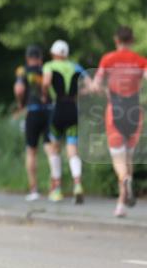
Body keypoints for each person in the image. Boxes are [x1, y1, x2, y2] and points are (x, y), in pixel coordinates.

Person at [92, 25, 147, 217]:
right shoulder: (141, 61)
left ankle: (124, 182)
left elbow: (97, 85)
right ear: (131, 41)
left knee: (118, 159)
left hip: (114, 111)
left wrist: (97, 88)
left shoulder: (108, 59)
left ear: (116, 40)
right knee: (128, 157)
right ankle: (121, 205)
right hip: (134, 111)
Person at [42, 40, 87, 204]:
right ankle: (77, 184)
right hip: (73, 109)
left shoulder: (49, 66)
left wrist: (44, 93)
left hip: (58, 108)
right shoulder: (76, 67)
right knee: (72, 149)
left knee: (54, 149)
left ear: (54, 53)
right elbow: (89, 86)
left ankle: (57, 188)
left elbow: (46, 82)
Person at [14, 45, 53, 201]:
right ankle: (54, 188)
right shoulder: (47, 70)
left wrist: (20, 104)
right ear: (40, 58)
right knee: (50, 149)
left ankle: (34, 190)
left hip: (33, 111)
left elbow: (19, 90)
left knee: (31, 151)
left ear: (27, 57)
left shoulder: (22, 71)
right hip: (49, 110)